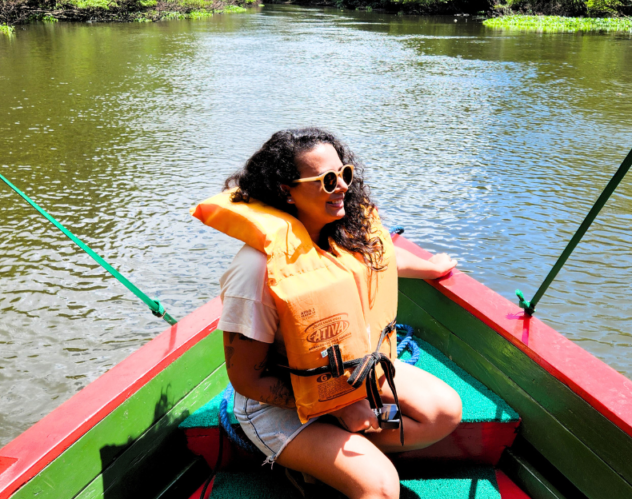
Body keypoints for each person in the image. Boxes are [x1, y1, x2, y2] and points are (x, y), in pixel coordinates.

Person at [191, 128, 462, 499]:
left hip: (350, 373)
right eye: (327, 180)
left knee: (443, 412)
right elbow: (247, 381)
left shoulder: (341, 231)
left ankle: (325, 469)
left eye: (346, 174)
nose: (342, 187)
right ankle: (318, 463)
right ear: (286, 190)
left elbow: (381, 257)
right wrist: (342, 409)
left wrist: (431, 267)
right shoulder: (256, 272)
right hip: (277, 403)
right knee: (381, 488)